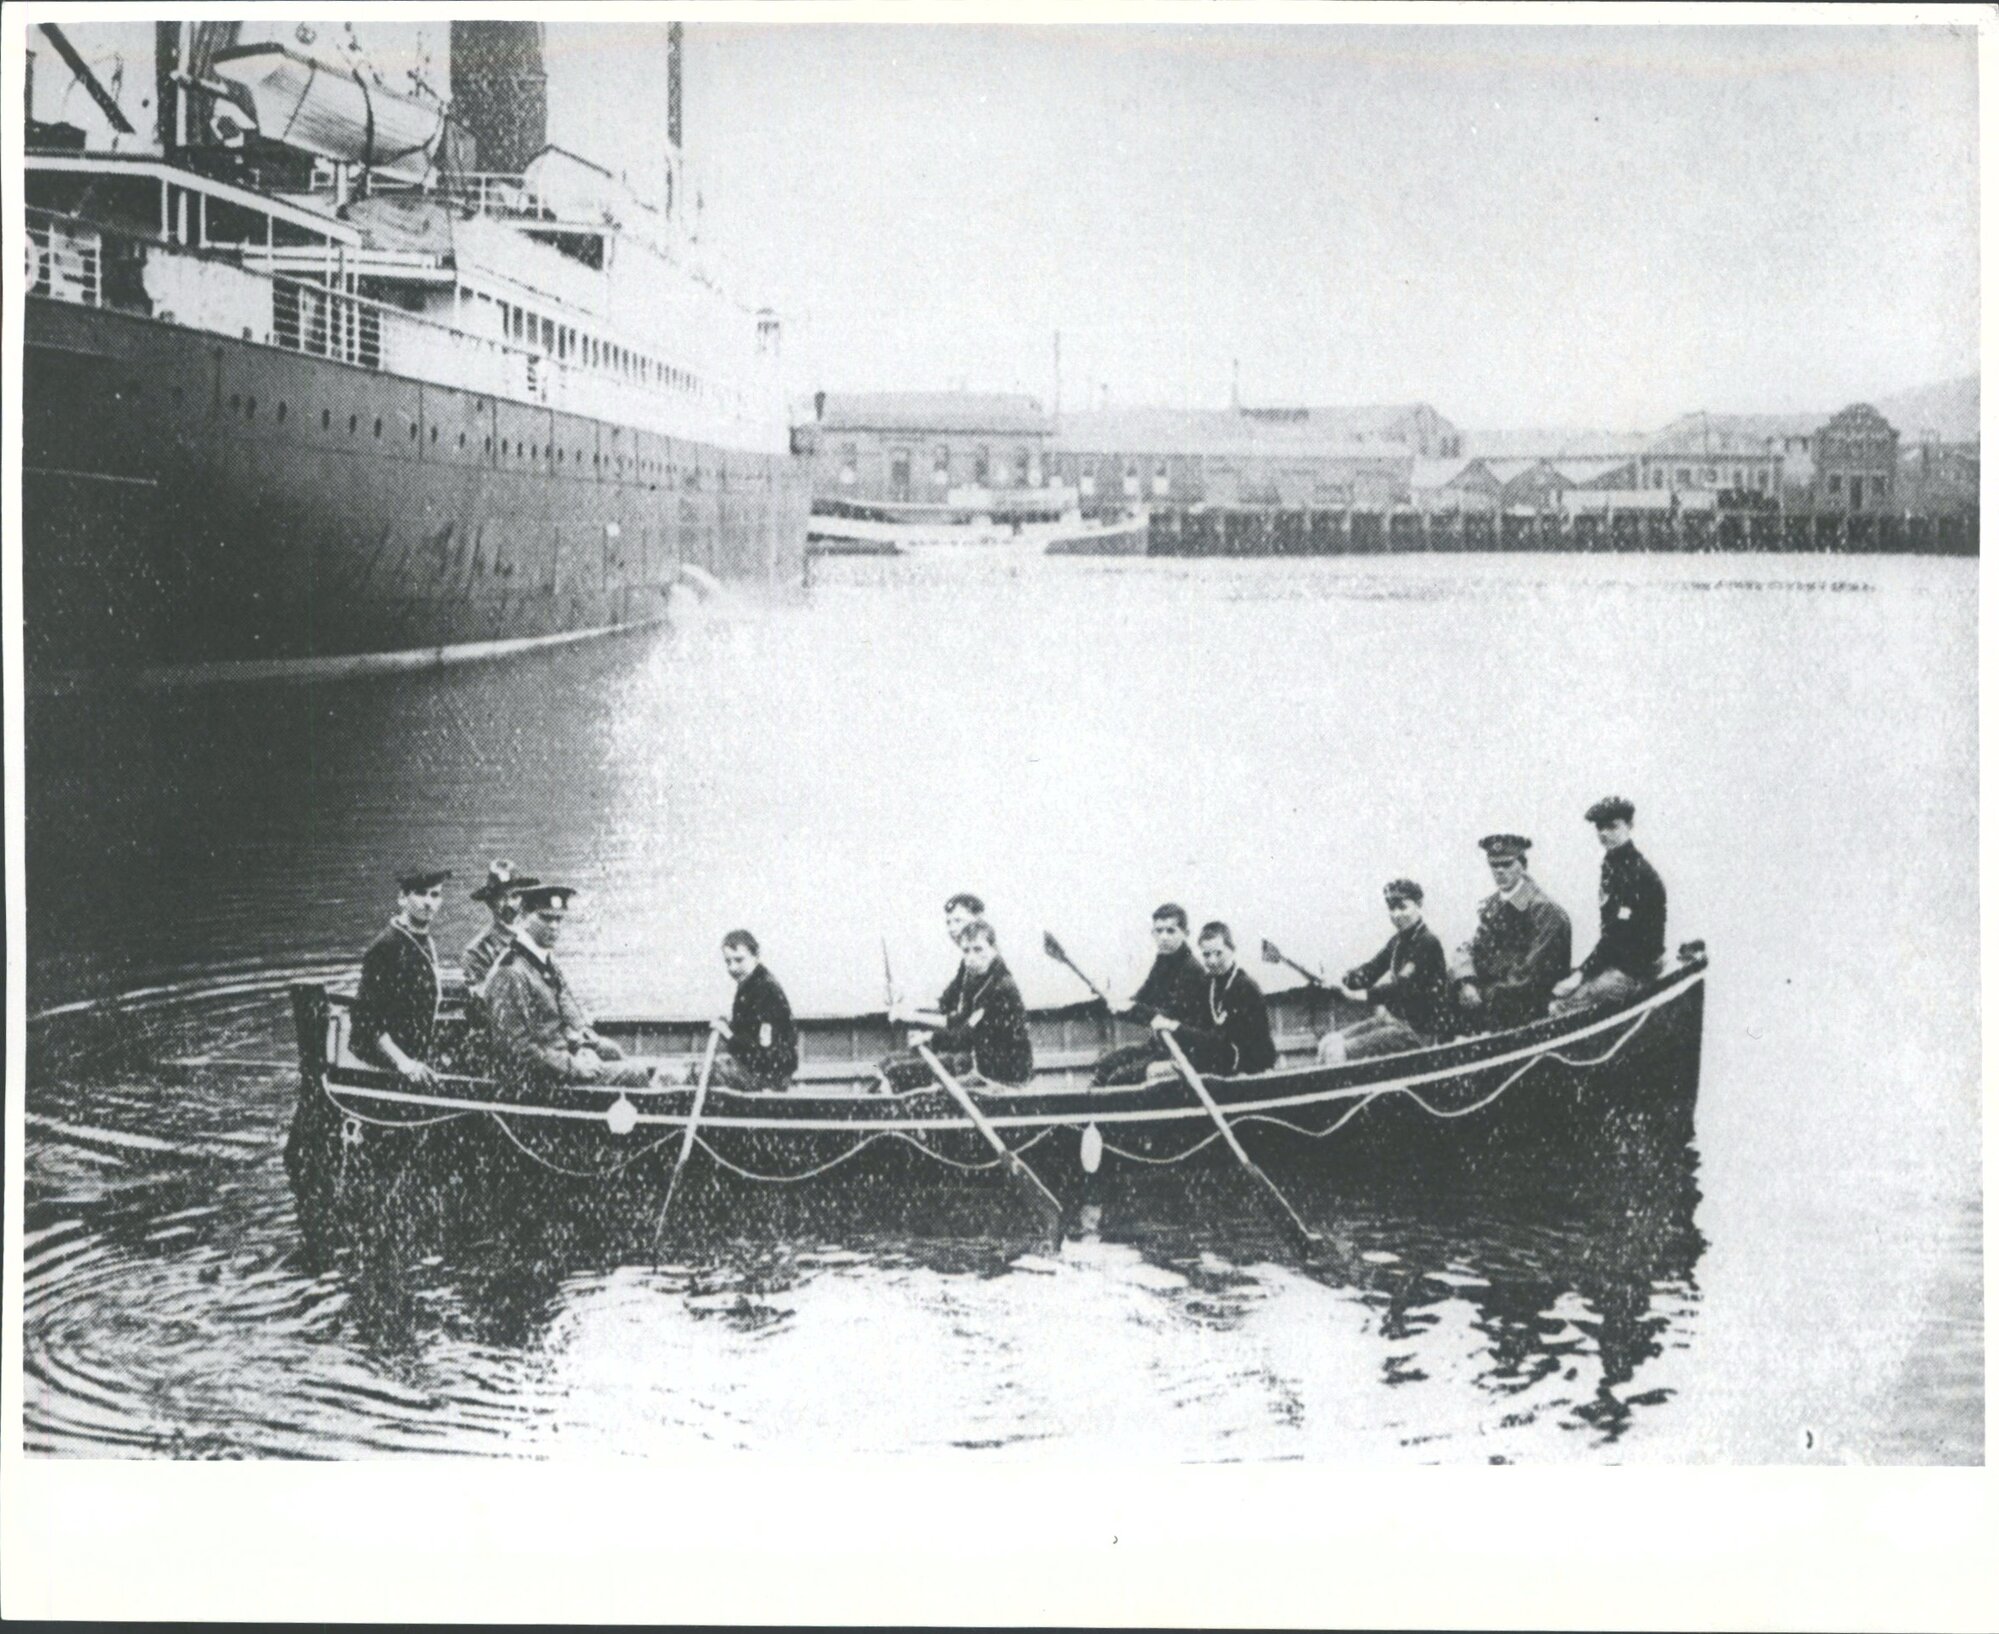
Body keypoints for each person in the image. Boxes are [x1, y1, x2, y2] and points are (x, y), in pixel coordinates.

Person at [484, 884, 657, 1089]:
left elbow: (568, 1015)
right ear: (524, 918)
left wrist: (584, 1046)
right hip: (535, 1082)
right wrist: (573, 1066)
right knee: (634, 1074)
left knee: (611, 1050)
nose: (554, 926)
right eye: (545, 918)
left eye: (559, 919)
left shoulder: (546, 963)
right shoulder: (511, 972)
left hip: (559, 1060)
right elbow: (516, 1049)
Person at [878, 918, 1033, 1090]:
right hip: (981, 1068)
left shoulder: (1001, 987)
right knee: (892, 1070)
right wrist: (912, 1016)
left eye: (978, 949)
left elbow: (966, 1035)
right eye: (966, 951)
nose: (971, 958)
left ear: (994, 949)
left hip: (1003, 1080)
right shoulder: (974, 977)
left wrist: (931, 1038)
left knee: (930, 1094)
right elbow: (958, 1019)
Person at [1551, 796, 1668, 1018]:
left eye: (1612, 826)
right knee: (1560, 989)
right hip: (1620, 961)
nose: (1604, 833)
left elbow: (1618, 936)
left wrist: (1583, 973)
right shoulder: (1612, 863)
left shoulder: (1636, 873)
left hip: (1635, 970)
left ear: (1629, 826)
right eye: (1600, 827)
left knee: (1559, 1008)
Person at [1450, 834, 1573, 1031]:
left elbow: (1532, 975)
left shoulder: (1545, 911)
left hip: (1526, 1010)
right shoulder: (1492, 906)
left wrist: (1484, 994)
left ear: (1523, 865)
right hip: (1494, 1003)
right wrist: (1466, 981)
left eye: (1507, 864)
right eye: (1494, 865)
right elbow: (1469, 948)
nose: (1499, 871)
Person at [1322, 879, 1451, 1061]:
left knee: (1337, 1052)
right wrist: (1342, 979)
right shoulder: (1397, 942)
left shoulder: (1427, 943)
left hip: (1419, 1033)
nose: (1396, 915)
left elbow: (1401, 987)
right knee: (1328, 1042)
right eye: (1392, 909)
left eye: (1402, 907)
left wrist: (1359, 995)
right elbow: (1370, 971)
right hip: (1394, 1023)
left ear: (1419, 904)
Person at [353, 867, 452, 1086]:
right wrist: (404, 1063)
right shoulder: (385, 948)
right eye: (420, 893)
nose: (428, 903)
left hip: (417, 1056)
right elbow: (366, 1021)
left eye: (435, 895)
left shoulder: (425, 941)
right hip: (390, 1065)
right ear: (402, 898)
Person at [1091, 902, 1207, 1086]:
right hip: (1162, 1047)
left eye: (1171, 931)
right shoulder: (1163, 962)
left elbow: (1170, 1017)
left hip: (1185, 1052)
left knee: (1120, 1079)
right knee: (1106, 1064)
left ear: (1186, 933)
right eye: (1158, 931)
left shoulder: (1192, 970)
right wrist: (1114, 1003)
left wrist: (1134, 1008)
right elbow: (1142, 999)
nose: (1163, 937)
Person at [1149, 921, 1276, 1078]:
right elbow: (1191, 1022)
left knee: (1161, 1073)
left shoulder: (1246, 987)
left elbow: (1226, 1042)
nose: (1212, 961)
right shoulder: (1206, 984)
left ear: (1232, 950)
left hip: (1249, 1068)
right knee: (1154, 1070)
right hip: (1219, 1062)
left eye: (1218, 953)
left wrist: (1175, 1027)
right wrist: (1165, 1021)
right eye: (1206, 955)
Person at [705, 929, 799, 1092]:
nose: (732, 968)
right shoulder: (750, 984)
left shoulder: (765, 990)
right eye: (728, 962)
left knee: (691, 1073)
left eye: (739, 960)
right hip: (760, 1071)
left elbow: (763, 1052)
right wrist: (729, 1027)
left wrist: (728, 1034)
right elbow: (750, 1032)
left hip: (767, 1078)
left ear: (756, 956)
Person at [461, 859, 540, 992]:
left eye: (514, 896)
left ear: (523, 899)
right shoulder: (477, 952)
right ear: (490, 903)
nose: (508, 903)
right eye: (501, 897)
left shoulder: (535, 937)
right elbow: (479, 999)